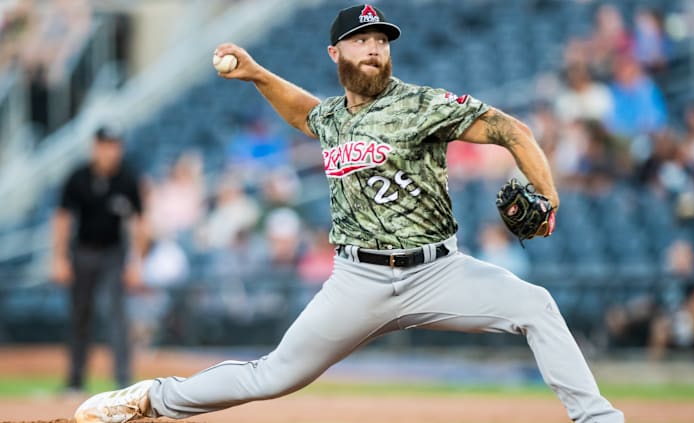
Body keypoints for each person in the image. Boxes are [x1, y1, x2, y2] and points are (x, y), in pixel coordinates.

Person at [73, 5, 624, 423]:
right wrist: (259, 74)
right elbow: (305, 113)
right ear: (335, 53)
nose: (374, 48)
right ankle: (150, 398)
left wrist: (546, 198)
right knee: (273, 376)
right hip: (357, 279)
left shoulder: (422, 104)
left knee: (536, 305)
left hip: (439, 271)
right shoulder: (333, 119)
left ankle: (597, 418)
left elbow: (514, 131)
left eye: (380, 40)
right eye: (360, 40)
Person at [51, 125, 145, 392]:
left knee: (118, 316)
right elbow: (62, 218)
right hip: (82, 252)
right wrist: (58, 257)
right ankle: (75, 380)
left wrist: (136, 262)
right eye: (105, 145)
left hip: (115, 254)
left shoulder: (127, 177)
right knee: (80, 315)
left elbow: (139, 221)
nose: (109, 151)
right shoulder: (78, 177)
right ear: (95, 147)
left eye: (114, 145)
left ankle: (123, 379)